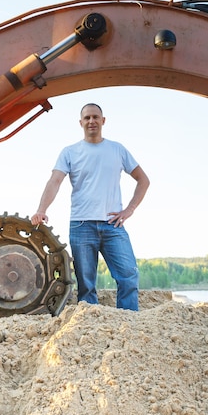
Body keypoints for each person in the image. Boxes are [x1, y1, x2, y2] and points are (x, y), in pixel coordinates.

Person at [31, 103, 150, 311]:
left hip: (113, 225)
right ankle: (90, 323)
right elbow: (55, 181)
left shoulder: (117, 149)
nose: (91, 121)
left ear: (103, 121)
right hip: (81, 225)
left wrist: (129, 210)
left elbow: (143, 180)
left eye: (95, 117)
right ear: (80, 123)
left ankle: (129, 321)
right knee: (86, 285)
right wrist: (42, 209)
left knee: (129, 275)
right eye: (87, 118)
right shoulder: (70, 152)